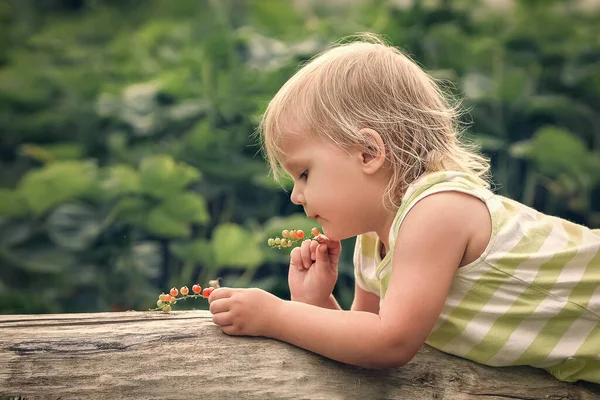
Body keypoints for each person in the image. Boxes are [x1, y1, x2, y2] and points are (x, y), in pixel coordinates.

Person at [207, 33, 600, 384]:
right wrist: (317, 303)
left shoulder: (437, 210)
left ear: (369, 152)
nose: (295, 195)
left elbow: (391, 343)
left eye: (305, 173)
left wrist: (274, 316)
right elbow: (366, 341)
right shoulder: (371, 240)